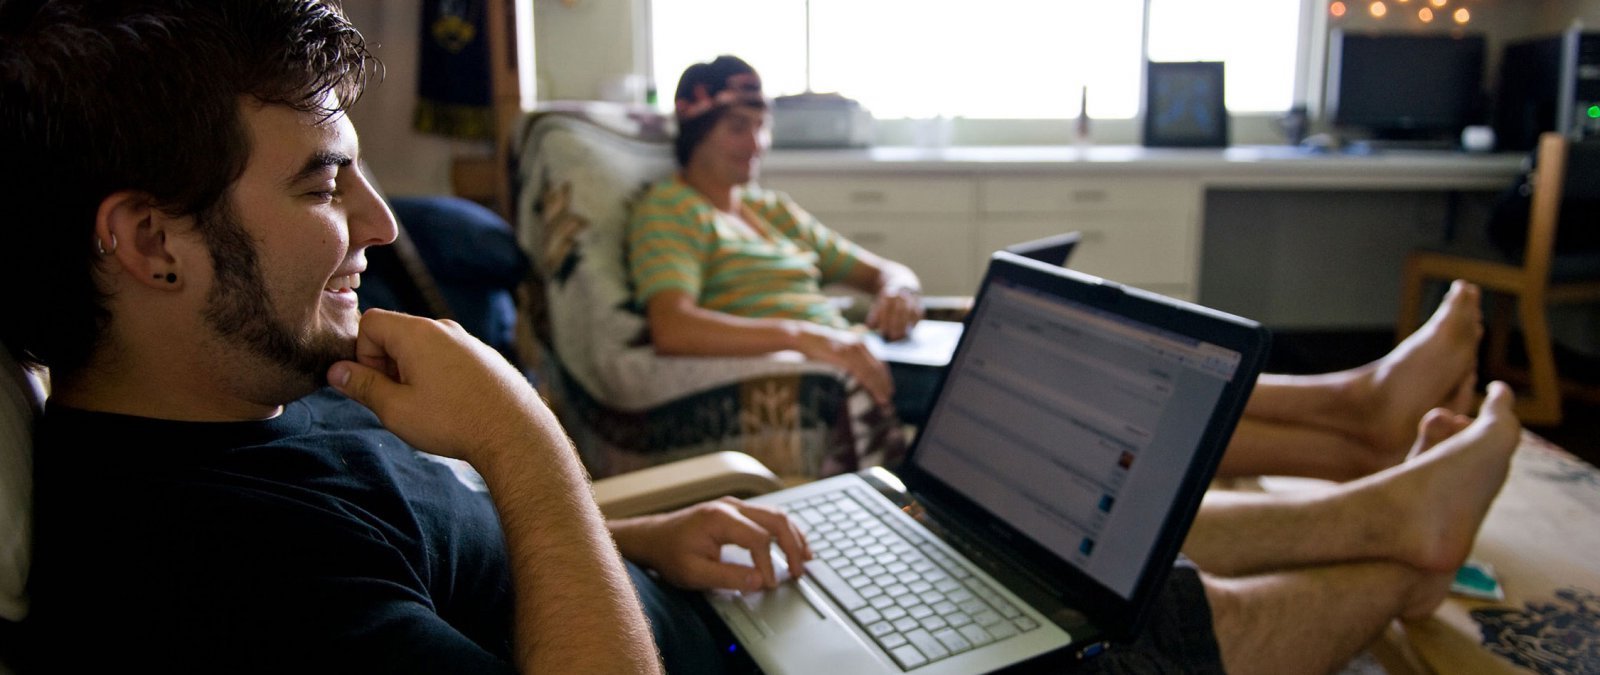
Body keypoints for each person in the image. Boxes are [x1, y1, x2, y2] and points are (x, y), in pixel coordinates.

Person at [1, 5, 1523, 673]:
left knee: (987, 541)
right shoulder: (197, 571)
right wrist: (534, 447)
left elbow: (459, 567)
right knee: (1090, 621)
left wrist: (639, 545)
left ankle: (1383, 496)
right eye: (325, 180)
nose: (384, 228)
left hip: (693, 602)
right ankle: (1401, 555)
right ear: (147, 239)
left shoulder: (263, 405)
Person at [628, 55, 1486, 481]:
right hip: (839, 366)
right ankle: (1352, 428)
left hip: (874, 346)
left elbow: (875, 266)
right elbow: (672, 323)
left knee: (1103, 351)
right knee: (1106, 398)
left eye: (763, 124)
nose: (758, 143)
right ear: (697, 127)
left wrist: (895, 288)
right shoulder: (671, 209)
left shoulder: (768, 208)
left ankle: (1357, 412)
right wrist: (811, 336)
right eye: (740, 127)